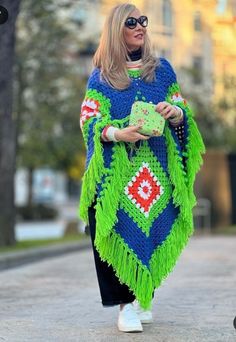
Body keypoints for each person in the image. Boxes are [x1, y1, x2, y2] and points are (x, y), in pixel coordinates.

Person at [78, 2, 205, 333]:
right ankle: (125, 306)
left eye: (143, 21)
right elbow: (89, 120)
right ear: (116, 29)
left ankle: (140, 297)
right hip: (118, 175)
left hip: (158, 174)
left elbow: (182, 107)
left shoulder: (161, 70)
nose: (140, 26)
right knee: (116, 229)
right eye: (132, 22)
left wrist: (174, 112)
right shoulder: (103, 76)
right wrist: (119, 133)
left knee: (151, 232)